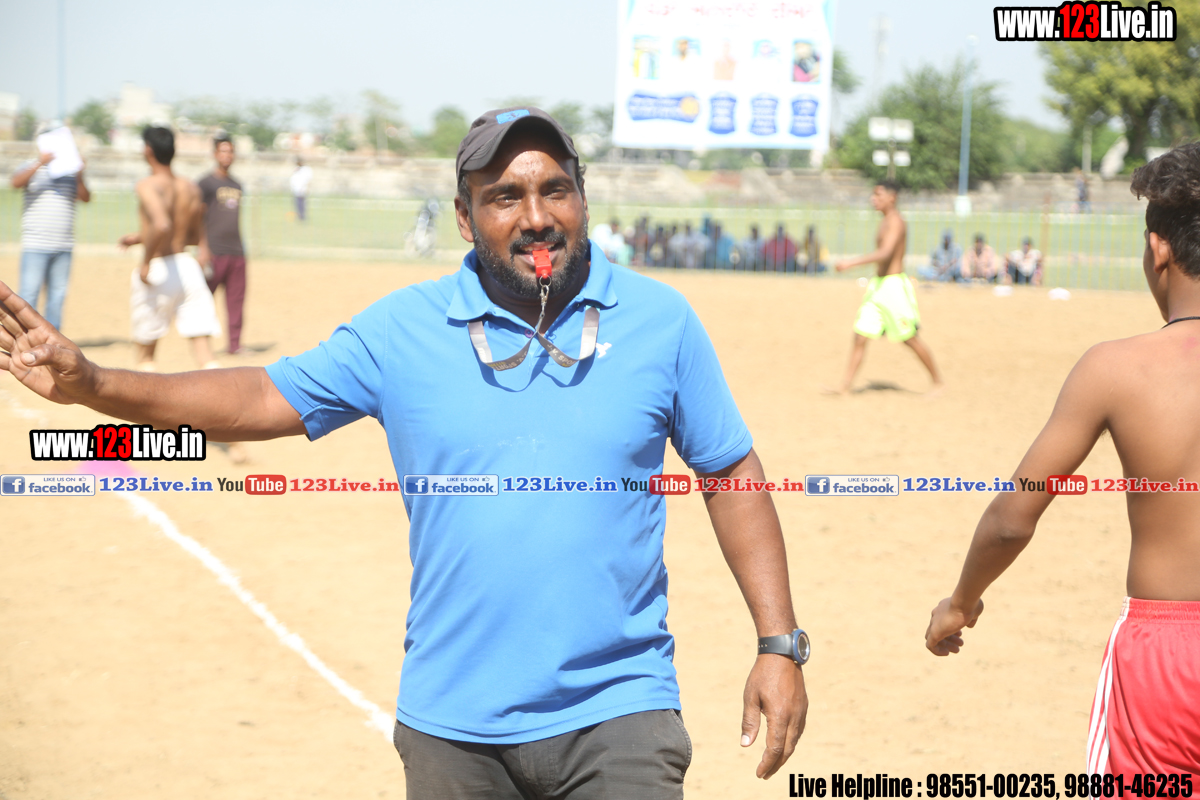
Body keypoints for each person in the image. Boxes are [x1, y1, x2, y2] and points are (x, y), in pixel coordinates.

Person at [0, 106, 809, 798]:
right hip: (451, 728)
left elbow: (729, 472)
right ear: (464, 217)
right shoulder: (401, 330)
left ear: (583, 197)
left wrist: (779, 644)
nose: (536, 216)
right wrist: (97, 385)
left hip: (619, 715)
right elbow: (260, 397)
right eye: (504, 196)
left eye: (555, 189)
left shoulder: (660, 320)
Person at [925, 143, 1200, 778]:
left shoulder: (1115, 368)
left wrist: (962, 601)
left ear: (1158, 249)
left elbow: (1011, 520)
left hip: (1166, 656)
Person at [117, 126, 221, 372]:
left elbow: (162, 224)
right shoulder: (190, 187)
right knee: (204, 353)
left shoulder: (148, 185)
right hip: (186, 267)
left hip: (159, 267)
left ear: (148, 150)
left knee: (146, 354)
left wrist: (145, 261)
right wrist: (141, 237)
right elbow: (192, 234)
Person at [828, 180, 944, 395]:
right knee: (860, 336)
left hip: (893, 288)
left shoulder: (896, 221)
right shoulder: (884, 221)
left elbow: (885, 253)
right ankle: (845, 387)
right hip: (878, 286)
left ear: (892, 198)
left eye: (878, 195)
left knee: (909, 338)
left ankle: (938, 383)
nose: (873, 199)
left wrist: (850, 263)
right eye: (873, 195)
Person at [10, 129, 90, 330]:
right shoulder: (30, 166)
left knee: (57, 295)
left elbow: (85, 197)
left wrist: (79, 173)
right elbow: (15, 183)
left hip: (63, 244)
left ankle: (53, 338)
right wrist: (40, 163)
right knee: (29, 294)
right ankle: (25, 335)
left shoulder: (70, 172)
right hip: (36, 244)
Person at [198, 133, 248, 355]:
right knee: (204, 299)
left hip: (236, 251)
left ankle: (235, 345)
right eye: (223, 151)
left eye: (231, 151)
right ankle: (203, 346)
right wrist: (203, 247)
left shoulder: (237, 184)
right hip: (214, 251)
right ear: (215, 154)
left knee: (236, 300)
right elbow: (197, 217)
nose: (227, 155)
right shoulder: (205, 184)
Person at [290, 157, 312, 222]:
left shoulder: (306, 169)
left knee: (303, 204)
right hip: (296, 190)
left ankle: (303, 217)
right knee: (297, 204)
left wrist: (306, 188)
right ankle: (299, 216)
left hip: (303, 190)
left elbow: (308, 179)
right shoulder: (296, 169)